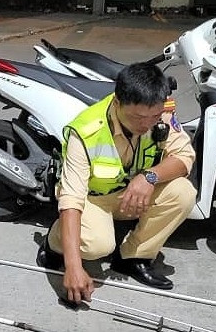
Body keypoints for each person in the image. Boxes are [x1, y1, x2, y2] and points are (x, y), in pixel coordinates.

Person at [37, 62, 197, 302]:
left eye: (153, 116)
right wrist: (73, 267)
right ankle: (54, 244)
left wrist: (149, 177)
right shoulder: (86, 132)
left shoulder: (160, 114)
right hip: (94, 200)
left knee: (183, 192)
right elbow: (72, 199)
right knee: (97, 246)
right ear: (117, 102)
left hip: (132, 193)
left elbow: (185, 157)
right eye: (138, 117)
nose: (146, 125)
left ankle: (133, 257)